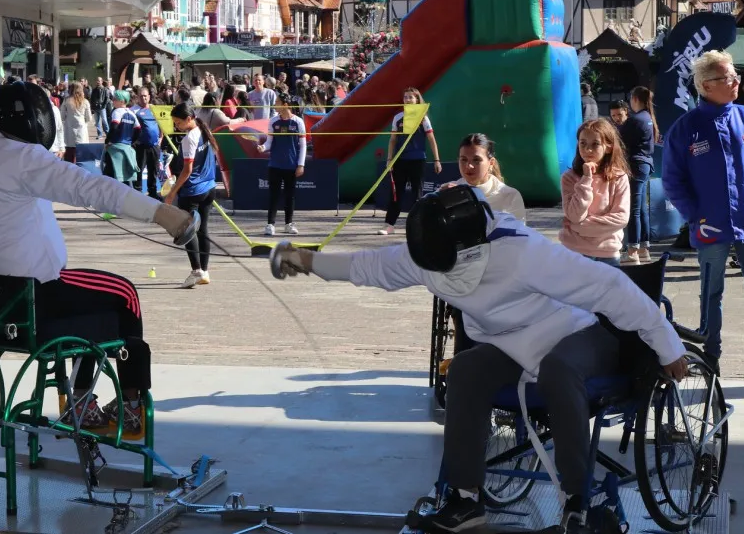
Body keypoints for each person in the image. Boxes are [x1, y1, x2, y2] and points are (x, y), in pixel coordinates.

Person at [269, 185, 688, 534]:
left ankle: (578, 500)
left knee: (558, 370)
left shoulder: (522, 253)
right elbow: (369, 266)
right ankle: (465, 499)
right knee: (466, 369)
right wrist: (305, 260)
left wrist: (667, 345)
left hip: (575, 333)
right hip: (509, 345)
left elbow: (610, 287)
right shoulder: (428, 252)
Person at [0, 82, 199, 430]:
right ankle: (127, 403)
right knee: (124, 294)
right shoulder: (22, 156)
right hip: (37, 296)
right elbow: (90, 187)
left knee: (89, 302)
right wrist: (160, 213)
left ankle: (81, 400)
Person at [662, 50, 744, 377]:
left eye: (735, 75)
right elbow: (673, 180)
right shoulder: (685, 129)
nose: (736, 82)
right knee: (711, 292)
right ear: (706, 85)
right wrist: (695, 216)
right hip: (710, 226)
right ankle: (712, 355)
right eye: (728, 77)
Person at [559, 119, 630, 267]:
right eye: (583, 143)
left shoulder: (619, 177)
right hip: (574, 252)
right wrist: (586, 179)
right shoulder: (569, 177)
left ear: (608, 147)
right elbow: (574, 215)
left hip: (608, 253)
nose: (588, 150)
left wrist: (579, 227)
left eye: (595, 144)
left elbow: (621, 218)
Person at [164, 103, 218, 289]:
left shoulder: (189, 139)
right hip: (209, 188)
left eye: (178, 122)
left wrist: (172, 192)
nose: (176, 126)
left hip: (193, 191)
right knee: (203, 229)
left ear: (189, 119)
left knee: (187, 230)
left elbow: (187, 170)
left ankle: (196, 271)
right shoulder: (204, 130)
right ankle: (204, 271)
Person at [378, 88, 441, 236]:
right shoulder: (398, 117)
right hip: (400, 160)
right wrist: (389, 159)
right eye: (405, 97)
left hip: (418, 160)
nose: (407, 100)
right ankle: (389, 225)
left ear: (417, 100)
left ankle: (418, 227)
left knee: (417, 195)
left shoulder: (423, 118)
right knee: (396, 195)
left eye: (411, 97)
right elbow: (393, 140)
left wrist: (437, 160)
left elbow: (431, 139)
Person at [439, 133, 525, 222]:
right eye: (464, 159)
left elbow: (517, 230)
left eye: (476, 160)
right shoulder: (447, 192)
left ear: (491, 163)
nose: (469, 166)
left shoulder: (510, 196)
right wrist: (439, 204)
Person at [258, 90, 306, 236]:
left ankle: (288, 224)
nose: (275, 105)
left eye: (277, 103)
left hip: (291, 165)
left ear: (285, 105)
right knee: (274, 195)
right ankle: (270, 224)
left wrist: (301, 164)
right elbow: (269, 142)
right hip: (275, 165)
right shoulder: (273, 121)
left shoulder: (298, 122)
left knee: (290, 196)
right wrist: (263, 147)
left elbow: (303, 145)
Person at [620, 87, 659, 264]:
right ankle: (643, 249)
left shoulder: (635, 119)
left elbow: (620, 142)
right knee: (641, 208)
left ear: (635, 99)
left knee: (634, 209)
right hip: (645, 164)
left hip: (635, 165)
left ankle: (632, 250)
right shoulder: (648, 118)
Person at [102, 90, 140, 186]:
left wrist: (107, 141)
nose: (113, 101)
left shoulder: (117, 111)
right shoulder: (132, 113)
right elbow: (138, 129)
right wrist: (131, 142)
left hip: (115, 149)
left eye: (115, 99)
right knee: (125, 177)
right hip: (127, 148)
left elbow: (114, 127)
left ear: (122, 101)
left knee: (110, 176)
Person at [132, 87, 162, 200]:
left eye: (145, 96)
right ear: (137, 97)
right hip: (140, 146)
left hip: (154, 146)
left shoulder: (155, 109)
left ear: (149, 97)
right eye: (141, 96)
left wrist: (161, 138)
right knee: (139, 170)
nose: (143, 98)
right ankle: (137, 193)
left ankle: (153, 192)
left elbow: (161, 124)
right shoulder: (133, 110)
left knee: (153, 170)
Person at [61, 83, 92, 163]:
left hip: (69, 129)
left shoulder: (66, 101)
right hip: (81, 129)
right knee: (81, 157)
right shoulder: (85, 102)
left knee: (69, 155)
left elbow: (62, 116)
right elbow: (89, 118)